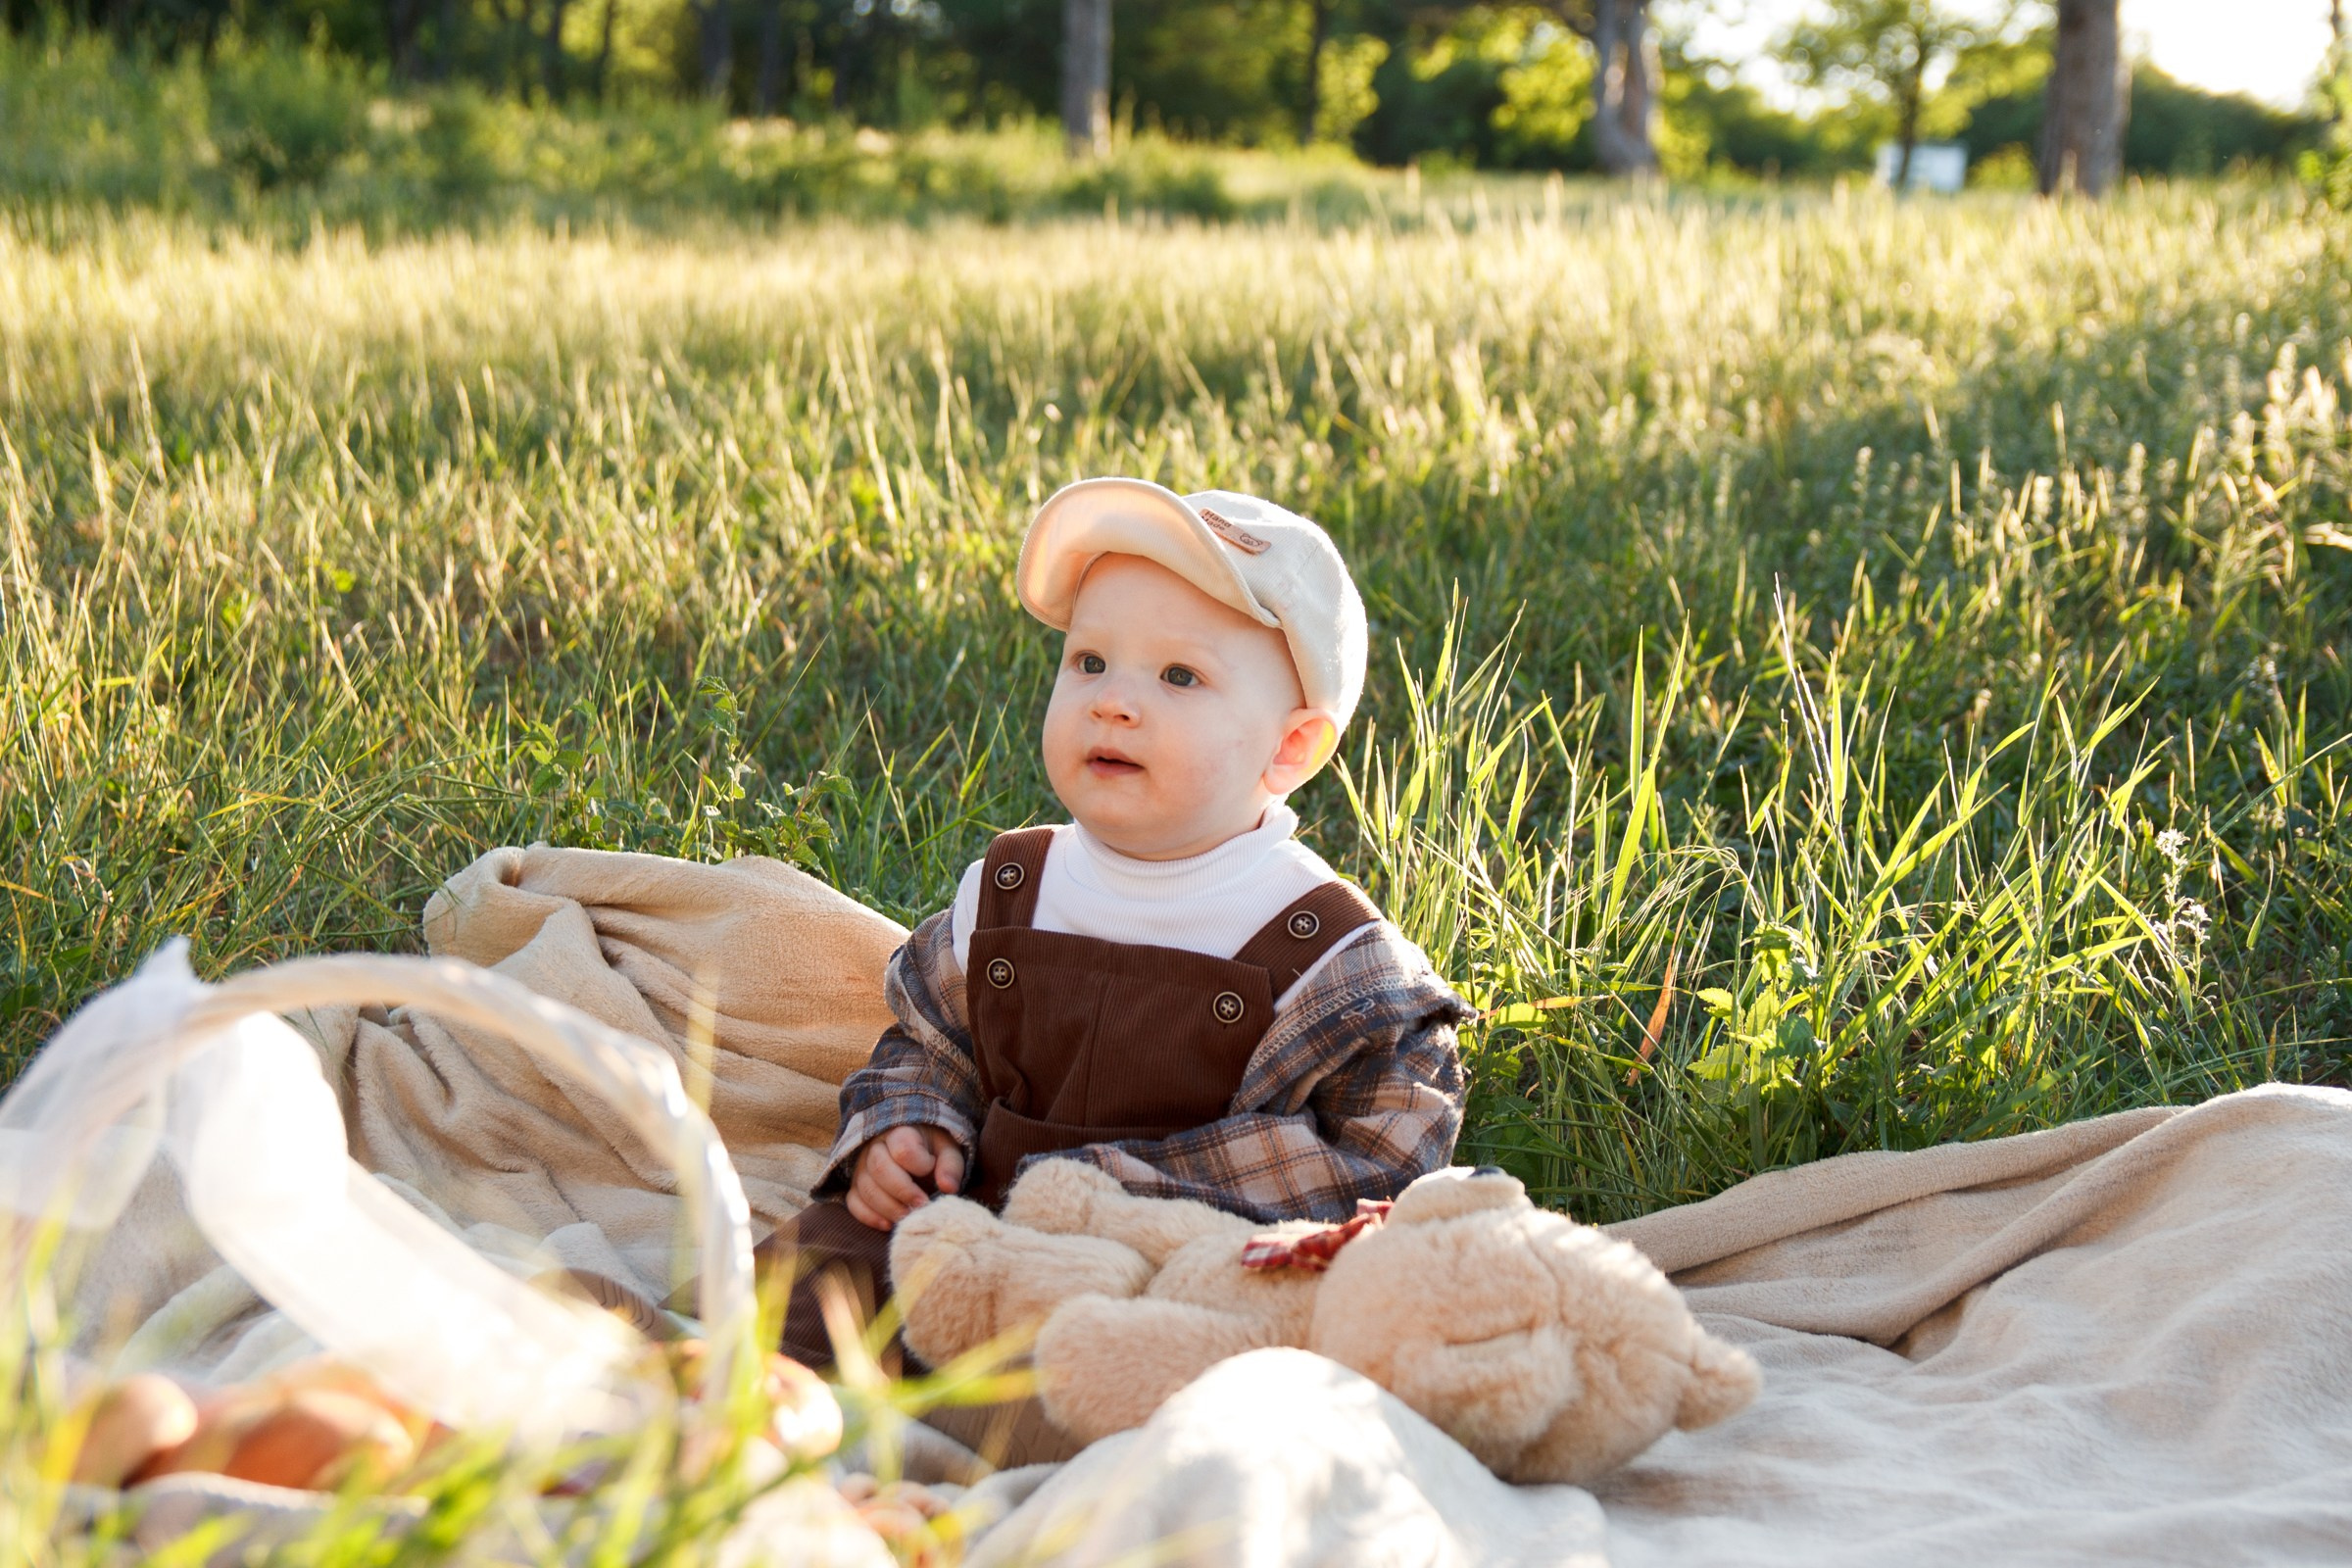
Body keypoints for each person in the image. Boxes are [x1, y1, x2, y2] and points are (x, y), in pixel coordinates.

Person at [762, 477, 1470, 1456]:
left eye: (1179, 676)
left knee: (1208, 1393)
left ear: (1292, 746)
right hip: (969, 1229)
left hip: (1175, 1267)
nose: (1115, 701)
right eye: (1089, 659)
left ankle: (1035, 1450)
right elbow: (931, 1042)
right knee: (790, 1288)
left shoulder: (1324, 950)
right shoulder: (1015, 884)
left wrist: (1120, 1194)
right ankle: (722, 1424)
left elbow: (1386, 1158)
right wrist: (908, 1129)